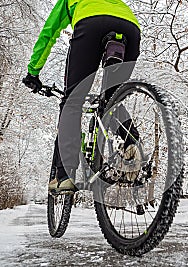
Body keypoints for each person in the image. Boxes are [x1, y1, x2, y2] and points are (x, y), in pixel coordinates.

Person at [22, 0, 140, 193]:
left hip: (92, 24)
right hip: (130, 27)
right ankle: (131, 143)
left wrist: (33, 72)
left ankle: (64, 176)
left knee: (73, 100)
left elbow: (48, 33)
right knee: (112, 100)